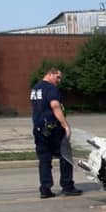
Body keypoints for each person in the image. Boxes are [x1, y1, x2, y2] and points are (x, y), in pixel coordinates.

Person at [30, 67, 81, 199]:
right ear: (50, 74)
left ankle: (45, 189)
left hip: (39, 129)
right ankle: (67, 186)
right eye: (57, 77)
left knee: (44, 160)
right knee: (65, 156)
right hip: (53, 129)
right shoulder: (51, 88)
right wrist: (65, 125)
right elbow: (55, 106)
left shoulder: (35, 88)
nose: (59, 81)